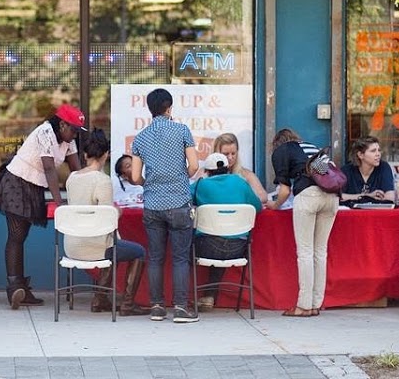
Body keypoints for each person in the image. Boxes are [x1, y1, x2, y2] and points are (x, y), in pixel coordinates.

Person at [0, 103, 84, 309]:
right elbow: (49, 168)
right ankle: (14, 287)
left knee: (21, 236)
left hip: (35, 187)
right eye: (74, 129)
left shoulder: (68, 140)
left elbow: (76, 169)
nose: (75, 134)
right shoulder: (45, 132)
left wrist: (86, 190)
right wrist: (59, 203)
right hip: (17, 182)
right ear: (63, 124)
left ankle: (20, 287)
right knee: (16, 235)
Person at [129, 88, 200, 324]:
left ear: (149, 109)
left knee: (155, 257)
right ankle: (181, 307)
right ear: (169, 107)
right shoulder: (182, 131)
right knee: (180, 258)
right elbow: (194, 166)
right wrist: (180, 177)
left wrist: (150, 181)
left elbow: (136, 177)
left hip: (152, 204)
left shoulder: (141, 137)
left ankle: (157, 307)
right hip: (179, 201)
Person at [64, 129, 149, 316]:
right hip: (96, 247)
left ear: (85, 155)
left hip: (72, 245)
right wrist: (116, 211)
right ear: (106, 155)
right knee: (137, 251)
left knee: (114, 245)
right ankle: (127, 304)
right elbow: (106, 220)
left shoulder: (72, 178)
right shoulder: (102, 181)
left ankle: (100, 299)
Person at [268, 127, 337, 317]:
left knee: (305, 252)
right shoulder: (311, 148)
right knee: (320, 252)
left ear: (277, 143)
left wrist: (275, 205)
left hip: (308, 196)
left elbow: (283, 191)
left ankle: (303, 306)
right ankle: (315, 304)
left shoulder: (282, 150)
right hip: (331, 197)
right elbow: (325, 172)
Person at [191, 152, 262, 312]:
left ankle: (182, 296)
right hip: (238, 248)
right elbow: (257, 207)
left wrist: (199, 179)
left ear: (207, 171)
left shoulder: (201, 184)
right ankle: (209, 295)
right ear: (227, 168)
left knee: (185, 245)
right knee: (224, 236)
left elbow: (185, 200)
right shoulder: (240, 182)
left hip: (206, 247)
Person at [212, 133, 267, 204]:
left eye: (233, 153)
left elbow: (263, 196)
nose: (230, 157)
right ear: (216, 153)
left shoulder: (246, 174)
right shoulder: (205, 173)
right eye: (226, 154)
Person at [340, 136, 395, 204]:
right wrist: (367, 196)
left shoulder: (384, 167)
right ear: (360, 155)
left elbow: (390, 197)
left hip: (376, 213)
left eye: (379, 150)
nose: (378, 154)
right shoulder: (347, 171)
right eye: (373, 151)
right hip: (352, 213)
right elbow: (338, 197)